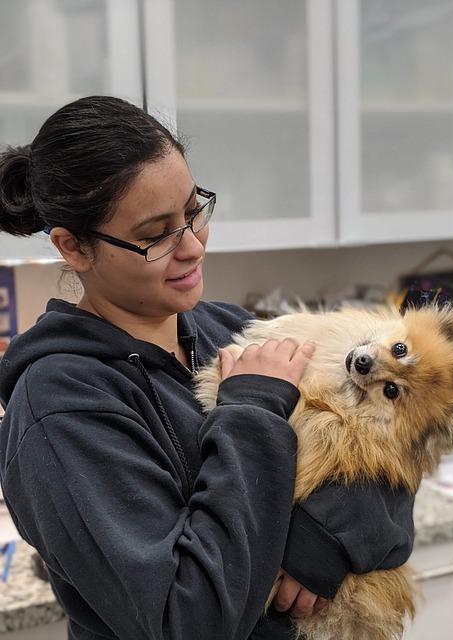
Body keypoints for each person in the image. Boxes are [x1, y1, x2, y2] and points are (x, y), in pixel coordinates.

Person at [0, 96, 414, 640]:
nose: (193, 246)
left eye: (194, 212)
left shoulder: (231, 330)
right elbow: (188, 620)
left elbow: (397, 451)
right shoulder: (61, 407)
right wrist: (253, 410)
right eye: (156, 234)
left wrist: (326, 539)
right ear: (73, 247)